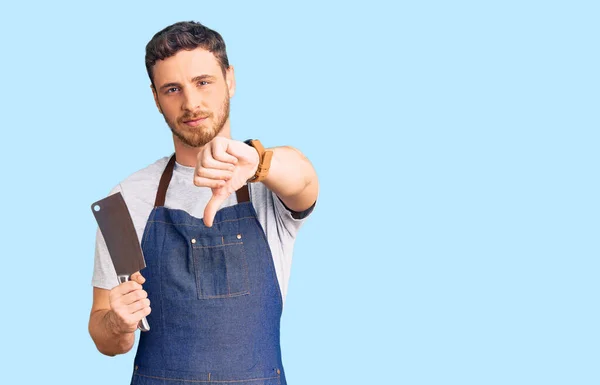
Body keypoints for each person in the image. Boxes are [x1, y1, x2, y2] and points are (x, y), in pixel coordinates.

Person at [88, 21, 318, 385]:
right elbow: (104, 332)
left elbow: (304, 177)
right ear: (155, 98)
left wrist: (257, 163)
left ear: (230, 79)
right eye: (172, 89)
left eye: (203, 82)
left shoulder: (266, 183)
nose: (191, 103)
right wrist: (117, 323)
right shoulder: (123, 201)